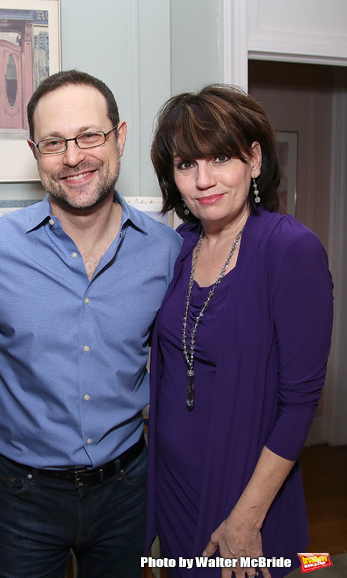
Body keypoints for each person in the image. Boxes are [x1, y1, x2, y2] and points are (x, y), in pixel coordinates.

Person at [0, 69, 182, 577]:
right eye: (54, 142)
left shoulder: (165, 251)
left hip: (129, 489)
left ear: (119, 137)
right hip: (25, 497)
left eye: (89, 136)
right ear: (34, 151)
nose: (74, 156)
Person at [147, 84, 333, 578]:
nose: (203, 180)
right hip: (173, 485)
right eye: (186, 164)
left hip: (244, 491)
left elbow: (299, 403)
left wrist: (246, 520)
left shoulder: (290, 250)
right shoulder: (180, 247)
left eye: (220, 158)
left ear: (253, 159)